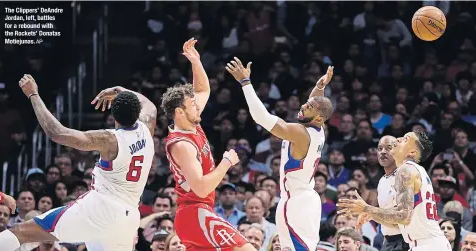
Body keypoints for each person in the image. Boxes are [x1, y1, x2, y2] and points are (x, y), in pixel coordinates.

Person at [0, 74, 157, 251]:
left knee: (22, 232)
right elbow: (149, 104)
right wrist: (120, 91)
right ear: (136, 112)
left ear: (113, 115)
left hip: (99, 209)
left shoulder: (111, 139)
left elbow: (57, 133)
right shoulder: (147, 125)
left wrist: (33, 95)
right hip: (128, 217)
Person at [226, 57, 334, 251]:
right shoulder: (319, 128)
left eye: (308, 107)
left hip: (296, 203)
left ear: (317, 118)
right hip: (304, 199)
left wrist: (245, 83)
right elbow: (317, 104)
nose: (303, 106)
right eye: (306, 104)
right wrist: (320, 87)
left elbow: (261, 118)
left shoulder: (301, 133)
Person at [161, 39, 255, 251]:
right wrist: (226, 163)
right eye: (192, 105)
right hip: (194, 213)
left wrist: (195, 61)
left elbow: (203, 90)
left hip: (199, 212)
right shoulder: (182, 144)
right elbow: (201, 188)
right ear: (179, 112)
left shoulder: (191, 122)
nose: (198, 106)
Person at [338, 131, 451, 251]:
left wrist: (366, 208)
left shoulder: (405, 169)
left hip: (425, 244)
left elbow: (402, 216)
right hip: (429, 243)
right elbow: (403, 215)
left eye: (405, 139)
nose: (398, 139)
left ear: (412, 152)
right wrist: (371, 214)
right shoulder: (418, 170)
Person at [356, 136, 409, 251]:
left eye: (388, 148)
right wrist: (369, 215)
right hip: (388, 240)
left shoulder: (405, 175)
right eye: (380, 149)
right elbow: (385, 214)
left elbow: (402, 215)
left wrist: (369, 210)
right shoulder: (382, 181)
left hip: (404, 240)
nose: (383, 152)